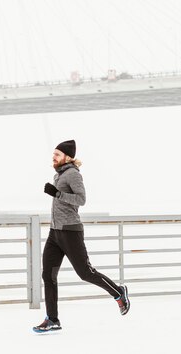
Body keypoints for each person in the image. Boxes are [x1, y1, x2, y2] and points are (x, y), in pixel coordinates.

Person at [33, 139, 130, 333]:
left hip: (70, 231)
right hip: (55, 232)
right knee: (48, 275)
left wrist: (57, 194)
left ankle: (118, 292)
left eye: (57, 154)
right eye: (53, 154)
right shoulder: (58, 174)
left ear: (68, 157)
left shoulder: (73, 175)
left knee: (85, 273)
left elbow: (81, 199)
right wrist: (56, 192)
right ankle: (52, 319)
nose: (54, 157)